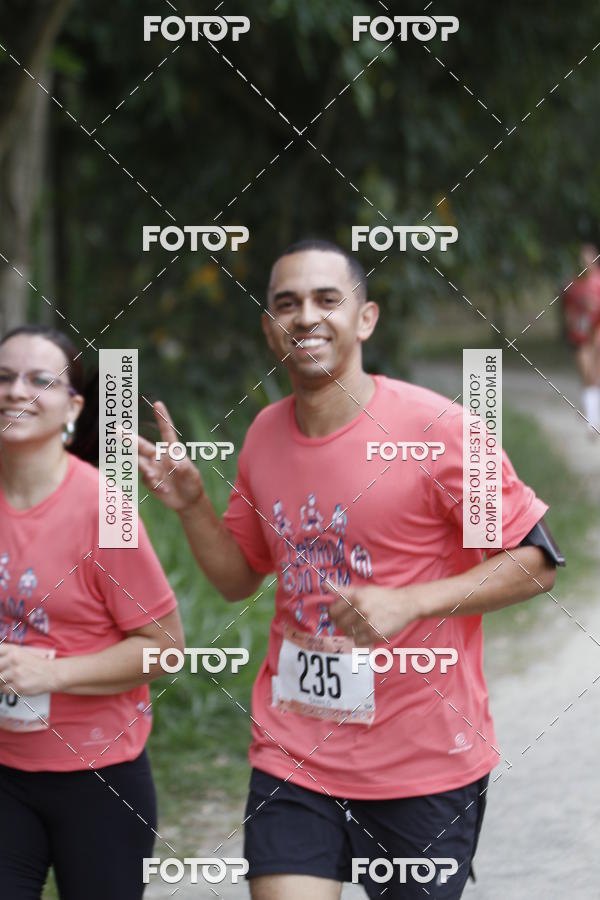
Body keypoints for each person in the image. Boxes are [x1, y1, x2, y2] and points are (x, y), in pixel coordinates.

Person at [138, 239, 562, 899]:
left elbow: (536, 561)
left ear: (365, 319)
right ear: (270, 330)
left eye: (326, 299)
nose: (305, 316)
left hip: (423, 765)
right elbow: (237, 578)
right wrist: (191, 503)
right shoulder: (264, 435)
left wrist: (412, 602)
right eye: (287, 304)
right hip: (293, 751)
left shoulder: (441, 429)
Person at [0, 325, 184, 899]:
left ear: (73, 406)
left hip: (98, 776)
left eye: (38, 380)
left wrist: (52, 673)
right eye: (3, 378)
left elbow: (166, 649)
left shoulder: (105, 509)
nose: (15, 391)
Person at [562, 243, 600, 433]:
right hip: (581, 336)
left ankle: (592, 417)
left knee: (595, 375)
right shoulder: (573, 286)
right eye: (581, 260)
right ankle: (592, 419)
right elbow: (568, 312)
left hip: (597, 333)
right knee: (587, 374)